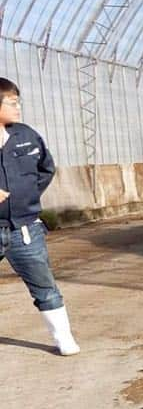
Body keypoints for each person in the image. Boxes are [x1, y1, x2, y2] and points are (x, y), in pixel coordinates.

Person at [0, 77, 80, 355]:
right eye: (12, 102)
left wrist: (26, 196)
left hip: (25, 227)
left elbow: (45, 168)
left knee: (44, 285)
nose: (18, 108)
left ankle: (64, 339)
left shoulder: (25, 135)